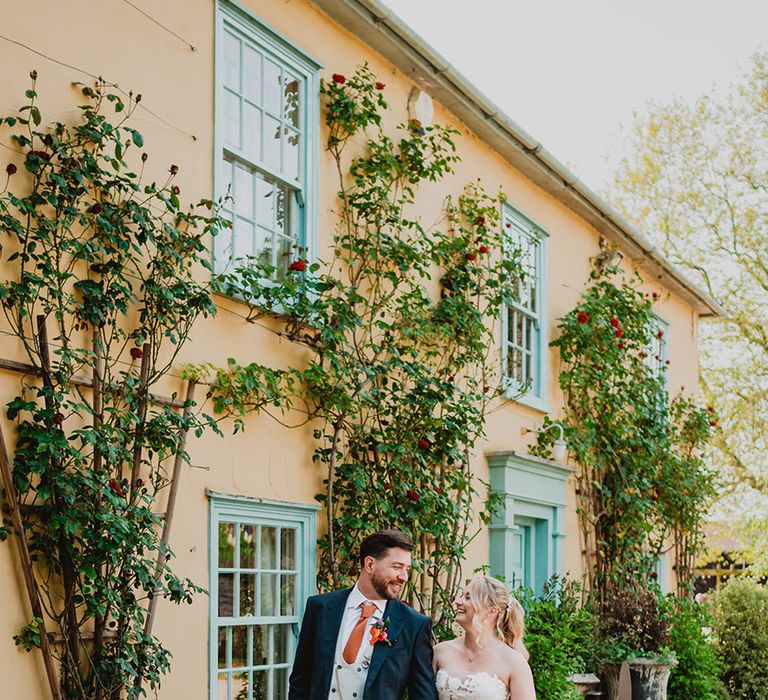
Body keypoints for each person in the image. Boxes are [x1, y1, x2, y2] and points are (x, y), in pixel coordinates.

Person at [289, 529, 438, 700]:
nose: (403, 577)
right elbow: (300, 678)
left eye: (407, 569)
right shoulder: (320, 608)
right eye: (397, 567)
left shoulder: (414, 624)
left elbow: (423, 695)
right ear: (369, 564)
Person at [433, 575, 536, 699]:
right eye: (461, 596)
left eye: (468, 598)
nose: (458, 602)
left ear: (491, 611)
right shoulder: (439, 652)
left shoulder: (513, 661)